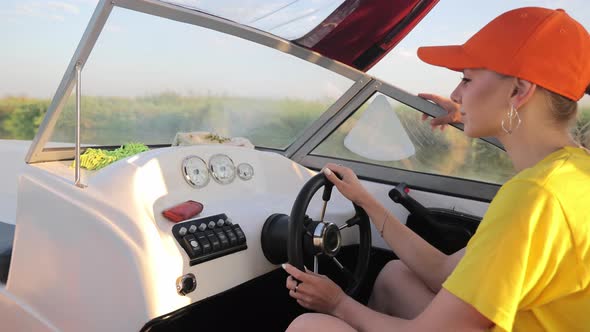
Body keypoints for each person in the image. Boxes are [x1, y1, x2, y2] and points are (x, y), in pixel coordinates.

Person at [282, 6, 590, 331]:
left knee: (308, 326)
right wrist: (366, 200)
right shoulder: (571, 172)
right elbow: (447, 271)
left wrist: (339, 304)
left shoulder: (536, 197)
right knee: (393, 277)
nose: (456, 94)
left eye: (467, 80)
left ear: (518, 91)